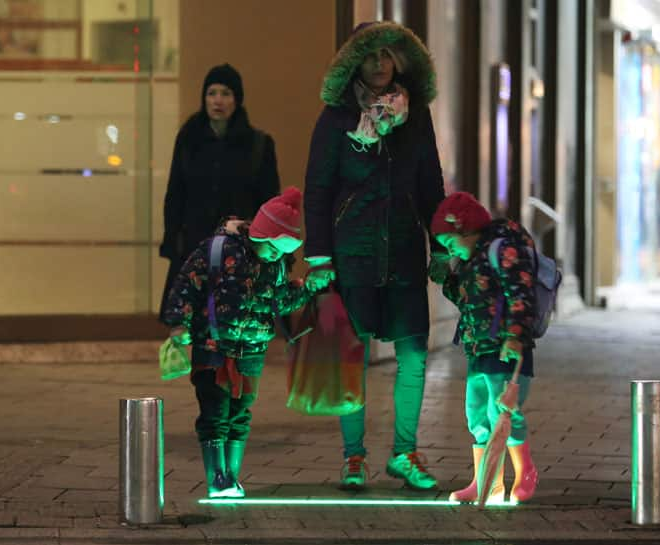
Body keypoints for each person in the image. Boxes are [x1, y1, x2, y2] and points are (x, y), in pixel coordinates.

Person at [302, 21, 447, 491]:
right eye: (371, 57)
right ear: (356, 63)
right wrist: (320, 256)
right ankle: (353, 456)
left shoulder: (416, 115)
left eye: (388, 56)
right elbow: (318, 190)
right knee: (353, 357)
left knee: (414, 355)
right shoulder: (336, 118)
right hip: (354, 254)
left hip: (404, 250)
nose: (381, 65)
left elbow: (431, 185)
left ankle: (405, 452)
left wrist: (443, 244)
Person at [161, 189, 312, 498]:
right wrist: (179, 323)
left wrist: (306, 290)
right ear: (260, 233)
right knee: (215, 411)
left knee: (241, 413)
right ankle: (218, 478)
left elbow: (279, 301)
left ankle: (231, 475)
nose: (276, 254)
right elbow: (186, 284)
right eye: (272, 247)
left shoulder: (278, 264)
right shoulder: (218, 251)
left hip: (253, 350)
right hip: (214, 347)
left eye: (282, 250)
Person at [428, 192, 538, 504]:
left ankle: (525, 471)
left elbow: (521, 292)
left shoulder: (502, 249)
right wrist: (447, 280)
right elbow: (469, 298)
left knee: (503, 412)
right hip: (478, 348)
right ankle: (486, 482)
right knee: (476, 414)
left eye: (451, 243)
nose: (450, 250)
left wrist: (515, 335)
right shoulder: (471, 260)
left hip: (505, 348)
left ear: (465, 230)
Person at [160, 63, 281, 321]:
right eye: (212, 93)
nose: (218, 101)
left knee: (232, 322)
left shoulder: (257, 144)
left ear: (237, 99)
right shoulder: (189, 138)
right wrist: (173, 238)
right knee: (194, 321)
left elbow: (269, 201)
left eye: (226, 93)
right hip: (195, 245)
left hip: (238, 249)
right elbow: (176, 193)